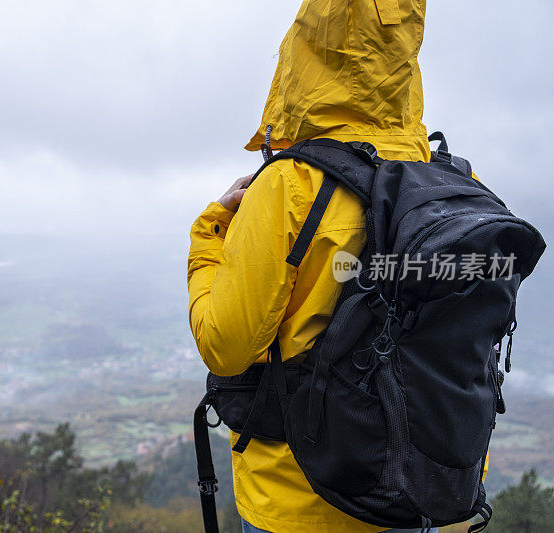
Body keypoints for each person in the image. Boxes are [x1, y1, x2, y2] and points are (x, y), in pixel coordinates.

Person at [187, 0, 474, 531]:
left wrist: (210, 234)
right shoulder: (441, 180)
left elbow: (226, 348)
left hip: (300, 499)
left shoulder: (290, 186)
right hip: (418, 491)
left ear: (306, 49)